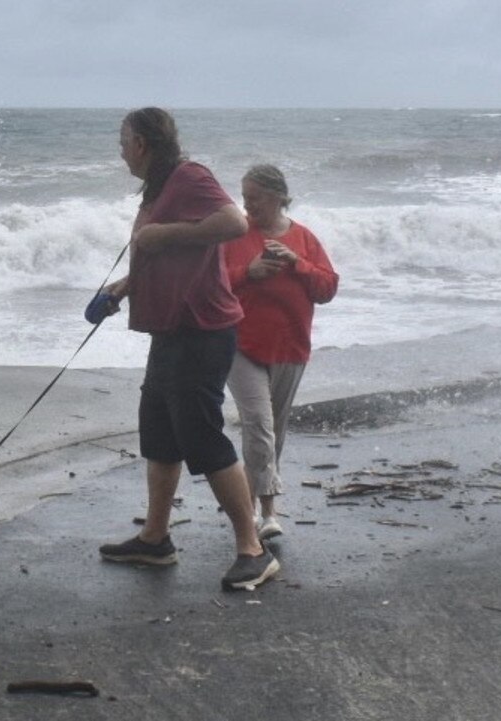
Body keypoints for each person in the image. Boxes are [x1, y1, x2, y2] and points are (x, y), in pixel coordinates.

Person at [97, 107, 280, 591]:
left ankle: (253, 549)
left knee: (201, 437)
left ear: (142, 143)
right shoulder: (159, 188)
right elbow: (166, 257)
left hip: (202, 329)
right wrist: (124, 286)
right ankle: (156, 539)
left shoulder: (189, 175)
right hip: (170, 330)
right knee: (159, 433)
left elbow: (233, 223)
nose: (119, 150)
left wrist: (164, 233)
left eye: (123, 140)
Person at [223, 164, 338, 541]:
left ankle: (252, 509)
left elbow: (327, 289)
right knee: (258, 423)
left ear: (276, 198)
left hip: (290, 346)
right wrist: (248, 272)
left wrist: (295, 263)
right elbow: (212, 284)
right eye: (243, 197)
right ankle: (267, 512)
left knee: (274, 431)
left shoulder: (303, 238)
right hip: (240, 344)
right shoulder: (235, 233)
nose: (246, 204)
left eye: (253, 198)